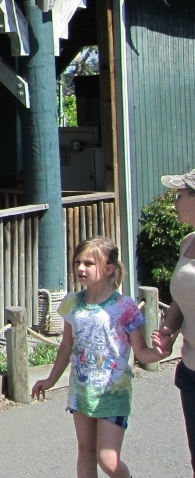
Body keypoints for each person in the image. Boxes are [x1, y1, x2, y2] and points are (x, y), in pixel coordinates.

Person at [32, 236, 164, 478]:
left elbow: (142, 351)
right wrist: (50, 380)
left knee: (108, 461)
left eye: (89, 264)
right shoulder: (72, 302)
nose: (80, 268)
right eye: (77, 262)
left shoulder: (125, 306)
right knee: (85, 450)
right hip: (81, 390)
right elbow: (66, 346)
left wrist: (159, 352)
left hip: (113, 393)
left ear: (109, 269)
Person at [152, 169, 195, 476]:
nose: (175, 202)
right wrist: (168, 329)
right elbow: (181, 297)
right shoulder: (188, 243)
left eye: (181, 195)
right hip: (191, 371)